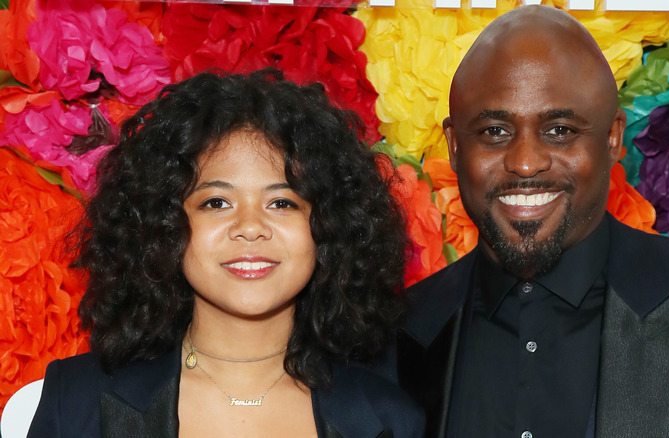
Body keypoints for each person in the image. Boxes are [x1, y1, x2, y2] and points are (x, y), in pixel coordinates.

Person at [396, 5, 669, 438]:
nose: (525, 163)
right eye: (494, 132)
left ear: (613, 138)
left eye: (560, 130)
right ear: (453, 144)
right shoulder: (394, 336)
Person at [28, 69, 424, 437]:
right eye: (216, 202)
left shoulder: (389, 419)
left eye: (282, 203)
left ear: (329, 228)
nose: (250, 227)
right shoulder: (75, 403)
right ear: (162, 226)